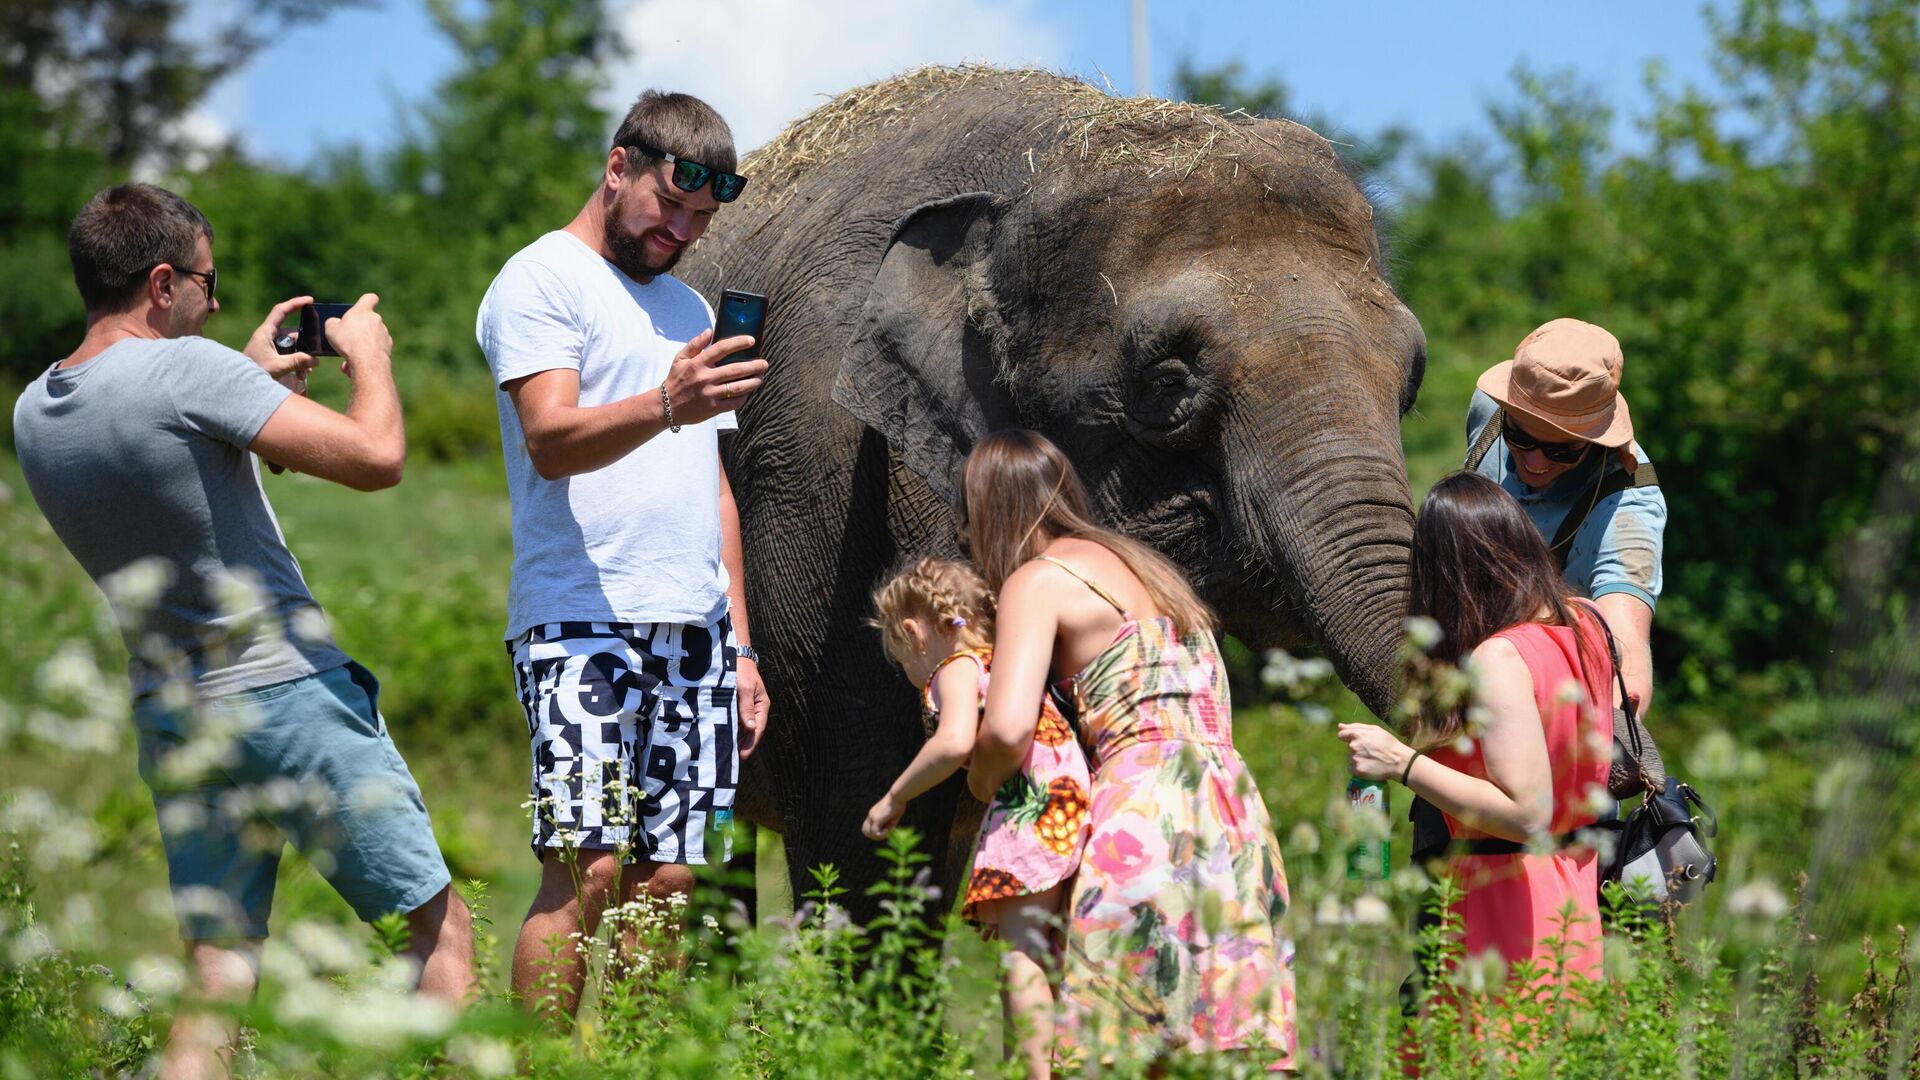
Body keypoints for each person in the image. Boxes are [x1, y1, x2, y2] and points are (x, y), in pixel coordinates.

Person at [12, 183, 472, 1078]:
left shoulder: (36, 411)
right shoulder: (189, 371)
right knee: (436, 933)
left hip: (173, 713)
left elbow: (164, 461)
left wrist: (249, 381)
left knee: (219, 969)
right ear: (160, 281)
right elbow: (377, 459)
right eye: (206, 283)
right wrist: (368, 356)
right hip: (285, 691)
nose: (214, 304)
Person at [474, 89, 771, 1019]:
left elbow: (710, 484)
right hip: (579, 623)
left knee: (673, 879)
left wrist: (745, 648)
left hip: (698, 635)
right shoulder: (540, 280)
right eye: (667, 206)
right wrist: (666, 401)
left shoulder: (686, 306)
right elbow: (551, 439)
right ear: (618, 166)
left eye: (699, 218)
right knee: (587, 867)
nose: (680, 230)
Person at [962, 429, 1296, 1071]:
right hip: (1230, 810)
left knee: (1120, 1040)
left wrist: (982, 780)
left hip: (1144, 808)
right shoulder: (1152, 571)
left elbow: (1006, 730)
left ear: (989, 514)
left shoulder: (1037, 580)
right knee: (1218, 1041)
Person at [1339, 471, 1615, 988]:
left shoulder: (1499, 657)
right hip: (1575, 902)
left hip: (1505, 917)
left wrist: (1402, 764)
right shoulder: (1587, 625)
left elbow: (1526, 812)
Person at [861, 557, 1090, 1078]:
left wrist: (894, 797)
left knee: (1019, 953)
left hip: (1034, 809)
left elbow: (954, 740)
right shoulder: (1005, 663)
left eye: (901, 658)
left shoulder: (955, 669)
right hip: (1072, 800)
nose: (908, 673)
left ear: (916, 634)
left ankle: (1029, 1070)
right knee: (1049, 945)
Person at [1463, 316, 1666, 784]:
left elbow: (1625, 639)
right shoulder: (1487, 410)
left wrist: (1615, 725)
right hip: (1457, 684)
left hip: (1547, 719)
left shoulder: (1629, 505)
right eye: (1521, 438)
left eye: (1560, 451)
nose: (1533, 461)